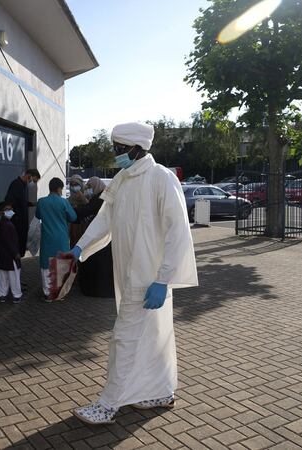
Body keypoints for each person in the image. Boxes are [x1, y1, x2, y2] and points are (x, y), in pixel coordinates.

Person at [67, 122, 198, 425]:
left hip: (148, 279)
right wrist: (80, 249)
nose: (116, 155)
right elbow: (104, 220)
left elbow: (178, 232)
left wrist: (163, 279)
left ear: (137, 148)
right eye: (114, 148)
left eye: (119, 149)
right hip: (128, 275)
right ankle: (162, 392)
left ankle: (108, 404)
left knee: (123, 339)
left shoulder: (161, 178)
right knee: (154, 336)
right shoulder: (122, 180)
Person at [35, 177, 77, 300]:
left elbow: (38, 215)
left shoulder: (41, 202)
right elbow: (73, 217)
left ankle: (48, 293)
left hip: (47, 238)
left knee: (46, 264)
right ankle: (59, 293)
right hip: (61, 238)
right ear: (59, 188)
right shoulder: (64, 202)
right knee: (61, 264)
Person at [73, 177, 114, 298]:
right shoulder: (99, 196)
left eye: (90, 187)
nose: (88, 190)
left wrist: (71, 210)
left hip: (102, 236)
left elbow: (89, 210)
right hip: (101, 235)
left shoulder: (102, 197)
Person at [4, 169, 41, 258]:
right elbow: (8, 203)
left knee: (20, 251)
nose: (33, 183)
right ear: (29, 176)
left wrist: (33, 204)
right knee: (15, 251)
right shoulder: (16, 185)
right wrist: (9, 222)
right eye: (34, 181)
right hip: (16, 226)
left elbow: (21, 203)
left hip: (20, 225)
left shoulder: (22, 186)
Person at [0, 201, 22, 304]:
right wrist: (15, 253)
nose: (11, 211)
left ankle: (1, 294)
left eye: (11, 209)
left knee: (2, 276)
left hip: (3, 256)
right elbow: (10, 241)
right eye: (7, 209)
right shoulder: (7, 224)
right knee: (13, 276)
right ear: (0, 212)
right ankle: (16, 295)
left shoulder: (4, 223)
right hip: (11, 257)